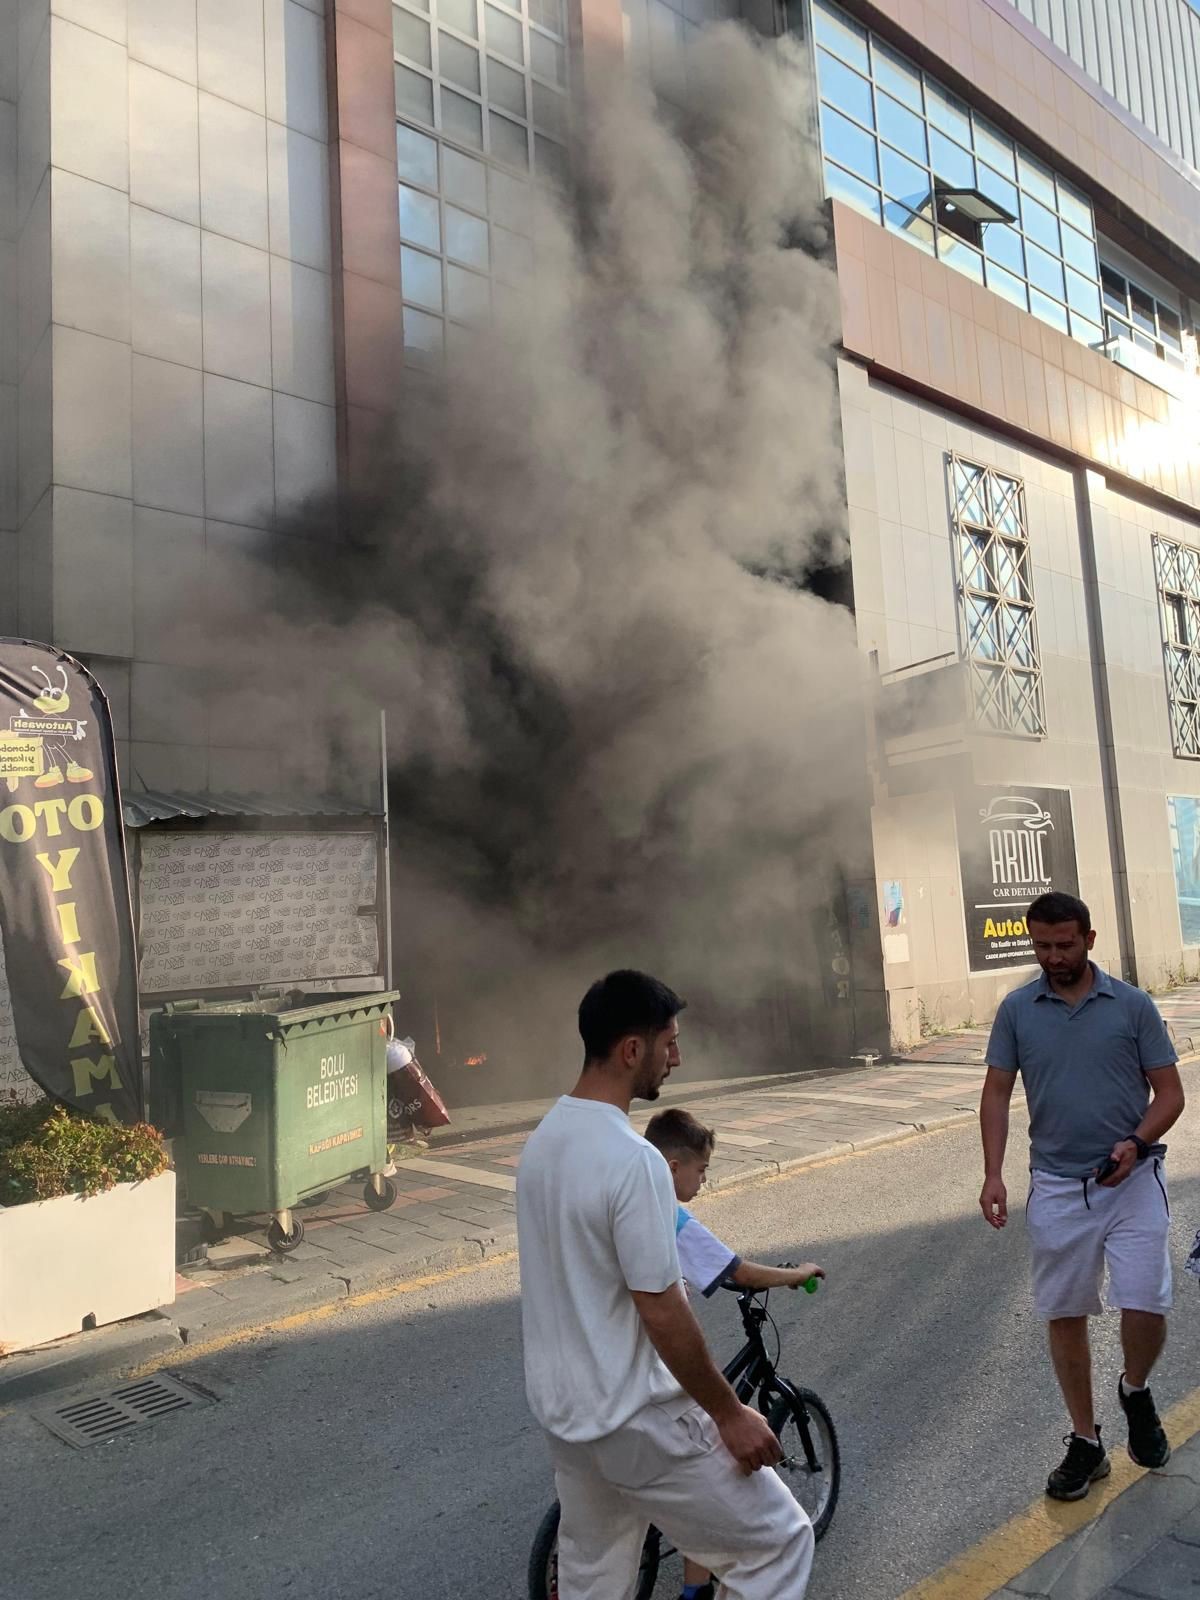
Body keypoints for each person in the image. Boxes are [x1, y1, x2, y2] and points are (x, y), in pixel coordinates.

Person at [516, 970, 814, 1600]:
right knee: (781, 1543)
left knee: (592, 1580)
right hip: (638, 1420)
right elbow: (663, 1309)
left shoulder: (542, 1145)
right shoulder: (635, 1161)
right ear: (631, 1050)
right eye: (669, 1043)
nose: (676, 1058)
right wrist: (730, 1413)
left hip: (568, 1418)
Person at [978, 892, 1186, 1501]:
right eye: (1042, 945)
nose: (1053, 956)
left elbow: (1170, 1094)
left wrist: (1136, 1141)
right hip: (1058, 1186)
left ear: (1090, 939)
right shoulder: (1017, 1009)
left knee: (1145, 1299)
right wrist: (994, 1173)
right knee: (1064, 1311)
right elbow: (996, 1094)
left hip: (1133, 1181)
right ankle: (1086, 1440)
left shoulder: (1132, 1006)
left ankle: (1136, 1389)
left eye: (1064, 944)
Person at [645, 1107, 824, 1600]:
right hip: (654, 1382)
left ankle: (697, 1579)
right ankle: (696, 1590)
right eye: (701, 1170)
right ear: (673, 1165)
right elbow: (736, 1271)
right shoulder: (666, 1211)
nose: (703, 1181)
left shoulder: (633, 1197)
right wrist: (796, 1275)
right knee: (718, 1455)